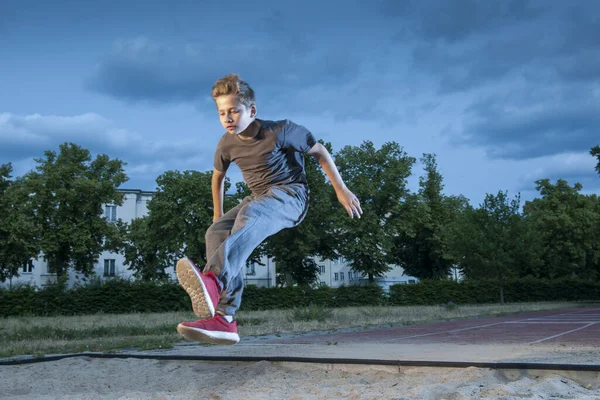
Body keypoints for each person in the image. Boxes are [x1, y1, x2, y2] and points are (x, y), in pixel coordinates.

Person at [176, 73, 362, 345]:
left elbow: (319, 151)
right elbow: (218, 177)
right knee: (215, 233)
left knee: (252, 215)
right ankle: (225, 318)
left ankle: (213, 281)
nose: (228, 118)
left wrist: (341, 189)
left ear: (251, 110)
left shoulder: (281, 130)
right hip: (259, 197)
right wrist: (218, 216)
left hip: (290, 196)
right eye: (221, 113)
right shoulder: (226, 144)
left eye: (234, 112)